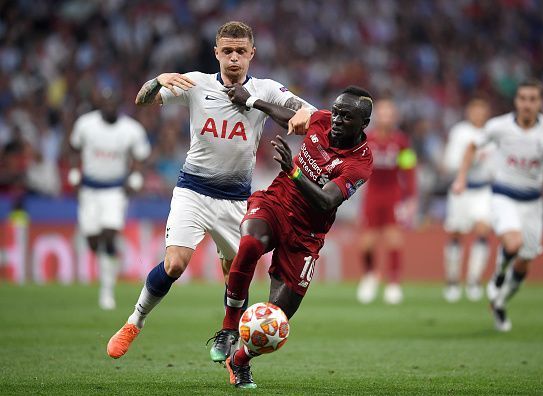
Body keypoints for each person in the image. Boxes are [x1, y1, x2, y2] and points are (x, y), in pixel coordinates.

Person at [106, 21, 314, 359]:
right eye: (227, 51)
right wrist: (157, 80)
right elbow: (143, 99)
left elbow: (310, 113)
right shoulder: (195, 83)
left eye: (241, 52)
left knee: (237, 275)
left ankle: (229, 344)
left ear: (252, 55)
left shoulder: (267, 89)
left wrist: (285, 112)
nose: (234, 58)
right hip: (193, 190)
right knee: (175, 264)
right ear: (216, 53)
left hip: (235, 199)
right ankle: (134, 321)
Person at [210, 86, 374, 389]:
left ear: (362, 124)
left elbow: (326, 202)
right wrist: (251, 100)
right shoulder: (323, 120)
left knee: (278, 319)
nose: (336, 119)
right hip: (276, 202)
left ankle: (240, 361)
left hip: (307, 233)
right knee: (249, 244)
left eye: (346, 116)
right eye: (336, 111)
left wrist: (294, 171)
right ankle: (229, 327)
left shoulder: (360, 163)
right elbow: (291, 116)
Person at [452, 80, 543, 331]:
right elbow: (472, 146)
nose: (527, 104)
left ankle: (500, 303)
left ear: (540, 102)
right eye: (523, 99)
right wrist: (461, 178)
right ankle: (497, 274)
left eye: (533, 99)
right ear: (516, 101)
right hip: (503, 195)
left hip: (533, 201)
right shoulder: (499, 126)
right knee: (513, 243)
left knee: (525, 261)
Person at [68, 88, 150, 310]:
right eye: (106, 103)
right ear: (99, 104)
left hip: (114, 190)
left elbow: (140, 156)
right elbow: (74, 148)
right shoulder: (85, 124)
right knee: (93, 240)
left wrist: (135, 176)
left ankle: (107, 291)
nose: (109, 107)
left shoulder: (131, 129)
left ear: (118, 105)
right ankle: (106, 264)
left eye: (113, 103)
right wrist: (74, 171)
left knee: (109, 235)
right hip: (89, 190)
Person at [356, 99, 416, 305]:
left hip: (393, 195)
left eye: (390, 114)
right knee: (367, 243)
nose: (386, 118)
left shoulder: (401, 142)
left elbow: (408, 171)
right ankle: (370, 276)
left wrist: (411, 198)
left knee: (394, 239)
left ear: (394, 117)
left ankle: (393, 284)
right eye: (382, 114)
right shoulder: (367, 140)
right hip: (372, 195)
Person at [442, 99, 493, 302]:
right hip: (461, 189)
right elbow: (449, 162)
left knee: (482, 230)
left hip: (483, 190)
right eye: (475, 110)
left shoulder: (493, 132)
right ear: (468, 111)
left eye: (482, 110)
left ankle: (474, 280)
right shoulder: (460, 132)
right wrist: (470, 160)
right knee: (456, 233)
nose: (478, 114)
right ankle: (453, 280)